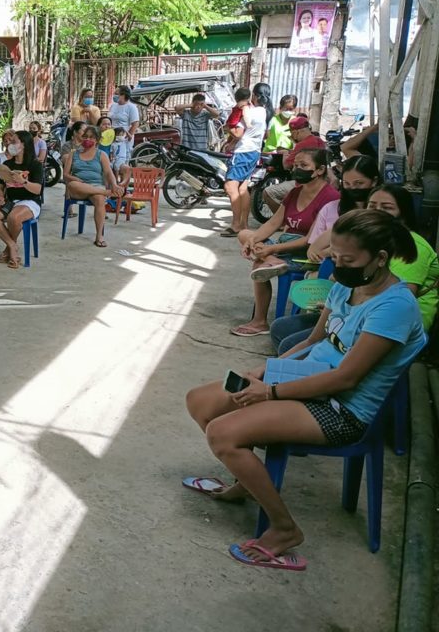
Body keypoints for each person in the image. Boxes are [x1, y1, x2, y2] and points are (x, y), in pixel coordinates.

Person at [184, 209, 426, 568]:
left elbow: (346, 379)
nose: (338, 265)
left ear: (379, 258)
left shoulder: (395, 308)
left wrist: (270, 392)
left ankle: (284, 529)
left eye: (347, 260)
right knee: (201, 402)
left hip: (342, 409)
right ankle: (247, 483)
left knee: (223, 434)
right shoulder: (348, 285)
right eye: (335, 256)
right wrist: (269, 368)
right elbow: (314, 339)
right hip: (308, 378)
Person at [269, 156, 379, 353]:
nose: (352, 189)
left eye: (359, 184)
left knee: (291, 345)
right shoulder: (337, 211)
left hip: (355, 311)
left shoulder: (382, 236)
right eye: (347, 184)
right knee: (281, 330)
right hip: (335, 293)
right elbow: (315, 247)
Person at [230, 148, 339, 337]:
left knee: (259, 263)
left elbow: (309, 241)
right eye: (295, 165)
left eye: (303, 165)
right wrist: (254, 241)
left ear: (320, 170)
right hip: (285, 246)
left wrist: (271, 248)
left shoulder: (329, 198)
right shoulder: (295, 192)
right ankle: (271, 260)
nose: (297, 169)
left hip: (308, 254)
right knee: (245, 235)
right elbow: (273, 222)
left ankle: (260, 321)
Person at [365, 185, 438, 331]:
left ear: (403, 213)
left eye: (387, 207)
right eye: (372, 206)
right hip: (368, 311)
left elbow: (398, 300)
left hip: (402, 325)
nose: (377, 211)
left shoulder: (413, 245)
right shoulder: (374, 239)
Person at [0, 130, 43, 269]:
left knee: (14, 217)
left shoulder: (35, 165)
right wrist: (0, 196)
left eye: (14, 141)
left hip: (30, 201)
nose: (10, 144)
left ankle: (9, 250)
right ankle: (12, 245)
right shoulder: (7, 164)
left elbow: (37, 190)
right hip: (10, 201)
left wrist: (23, 182)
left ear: (24, 144)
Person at [62, 125, 122, 248]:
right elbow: (66, 175)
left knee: (99, 199)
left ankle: (99, 237)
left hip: (96, 186)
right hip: (78, 188)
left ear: (97, 140)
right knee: (72, 184)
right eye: (85, 137)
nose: (88, 139)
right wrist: (75, 179)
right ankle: (106, 193)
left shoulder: (101, 155)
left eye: (91, 137)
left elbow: (108, 173)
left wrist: (115, 185)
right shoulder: (73, 154)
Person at [221, 87, 267, 237]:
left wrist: (228, 127)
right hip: (254, 151)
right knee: (242, 188)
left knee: (230, 186)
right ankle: (243, 224)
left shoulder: (245, 112)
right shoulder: (262, 111)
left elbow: (238, 133)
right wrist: (231, 143)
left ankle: (236, 225)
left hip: (243, 152)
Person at [261, 114, 328, 213]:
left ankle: (283, 218)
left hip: (303, 184)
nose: (291, 136)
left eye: (292, 133)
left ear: (296, 132)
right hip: (320, 181)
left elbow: (286, 166)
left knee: (268, 192)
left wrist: (285, 153)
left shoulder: (302, 145)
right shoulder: (319, 141)